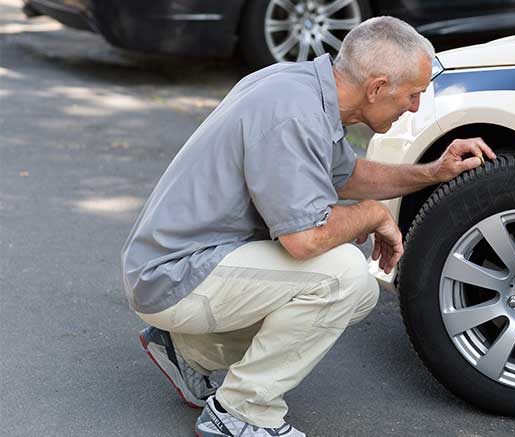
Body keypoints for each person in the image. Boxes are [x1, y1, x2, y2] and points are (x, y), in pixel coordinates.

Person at [121, 16, 496, 437]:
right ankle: (240, 412)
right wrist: (373, 214)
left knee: (354, 289)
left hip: (182, 263)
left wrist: (432, 172)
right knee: (343, 277)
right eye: (412, 95)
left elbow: (346, 175)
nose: (413, 107)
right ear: (376, 87)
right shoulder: (294, 115)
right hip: (175, 276)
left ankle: (189, 351)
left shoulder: (304, 87)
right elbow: (304, 240)